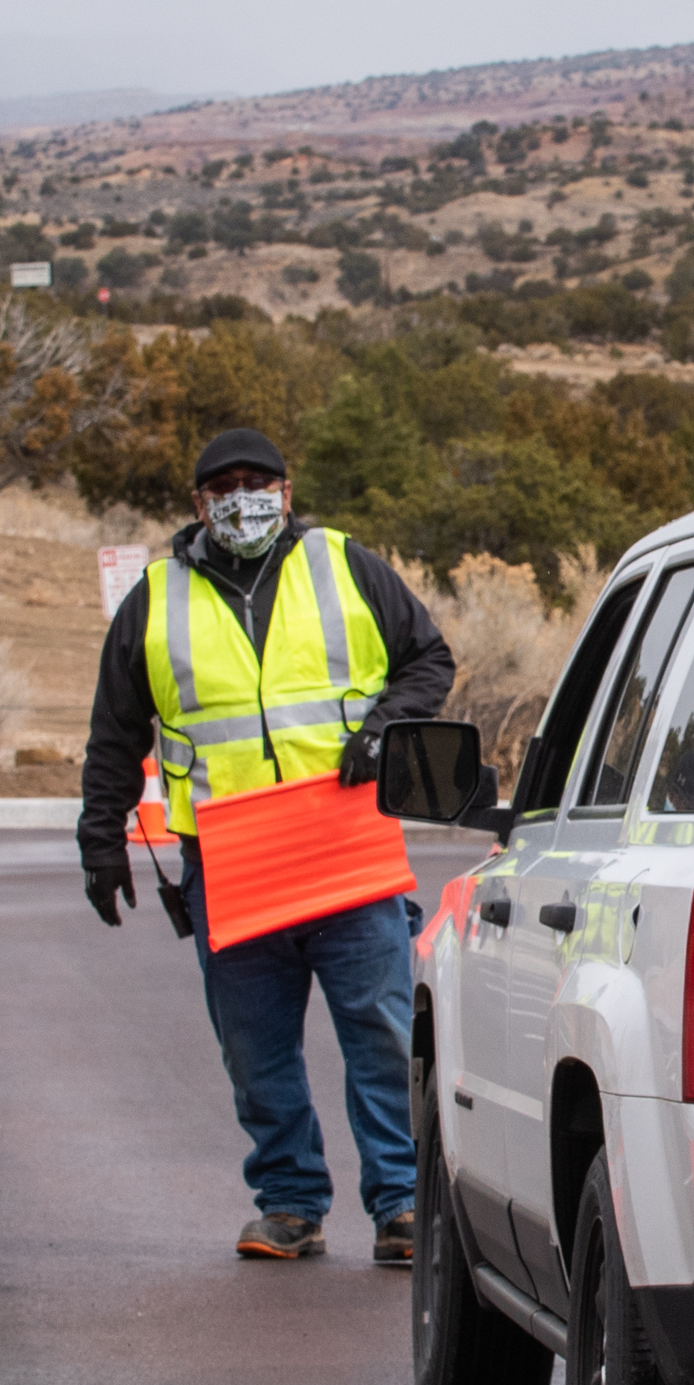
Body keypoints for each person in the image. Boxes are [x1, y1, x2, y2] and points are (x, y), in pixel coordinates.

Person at [76, 427, 455, 1263]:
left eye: (257, 483)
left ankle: (400, 1205)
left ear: (286, 492)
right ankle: (288, 1202)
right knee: (255, 1047)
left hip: (346, 854)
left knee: (382, 1037)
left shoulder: (345, 565)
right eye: (223, 487)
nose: (241, 499)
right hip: (232, 864)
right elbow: (114, 733)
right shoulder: (153, 599)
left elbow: (428, 661)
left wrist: (384, 729)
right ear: (197, 503)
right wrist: (100, 838)